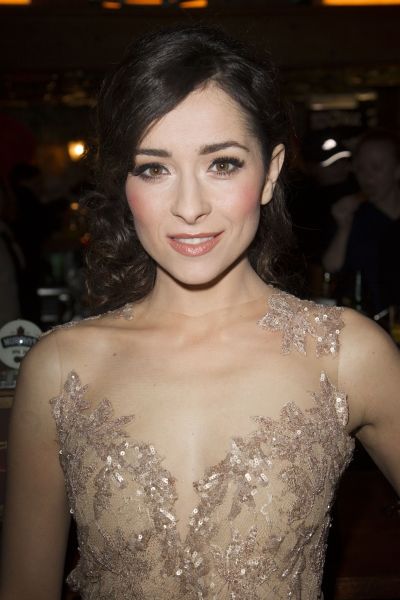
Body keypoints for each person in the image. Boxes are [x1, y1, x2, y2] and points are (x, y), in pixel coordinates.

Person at [0, 25, 399, 600]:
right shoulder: (59, 367)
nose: (189, 207)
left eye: (223, 164)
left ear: (271, 173)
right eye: (154, 168)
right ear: (123, 181)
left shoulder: (347, 355)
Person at [323, 130, 400, 315]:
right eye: (360, 168)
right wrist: (343, 227)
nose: (367, 176)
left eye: (376, 167)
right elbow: (331, 267)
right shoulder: (353, 214)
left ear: (397, 170)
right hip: (363, 320)